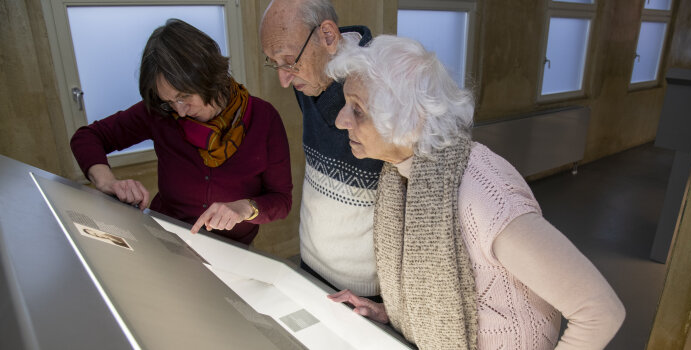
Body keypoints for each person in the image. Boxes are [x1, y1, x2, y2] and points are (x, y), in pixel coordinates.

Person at [325, 35, 626, 350]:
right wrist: (393, 314)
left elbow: (601, 312)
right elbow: (454, 303)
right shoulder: (401, 176)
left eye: (357, 109)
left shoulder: (484, 194)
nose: (340, 120)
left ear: (407, 118)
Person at [71, 19, 292, 245]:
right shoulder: (160, 113)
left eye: (183, 97)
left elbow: (281, 200)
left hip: (232, 250)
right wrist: (107, 181)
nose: (180, 111)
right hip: (166, 238)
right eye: (168, 102)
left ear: (209, 77)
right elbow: (87, 137)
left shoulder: (264, 119)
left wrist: (245, 208)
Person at [260, 0, 383, 301]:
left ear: (328, 36)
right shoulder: (309, 82)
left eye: (289, 61)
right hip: (311, 268)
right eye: (273, 63)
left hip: (366, 292)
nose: (283, 78)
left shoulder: (381, 84)